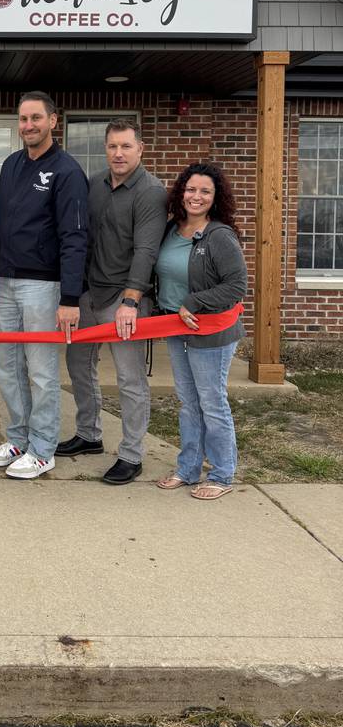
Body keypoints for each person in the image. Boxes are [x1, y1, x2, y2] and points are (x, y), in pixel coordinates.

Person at [0, 91, 89, 479]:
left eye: (36, 118)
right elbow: (1, 224)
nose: (28, 125)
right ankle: (19, 437)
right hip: (7, 283)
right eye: (23, 119)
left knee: (41, 371)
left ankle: (43, 448)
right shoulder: (11, 165)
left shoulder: (67, 171)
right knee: (7, 365)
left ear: (53, 121)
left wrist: (70, 297)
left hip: (44, 287)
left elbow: (75, 237)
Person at [58, 118, 167, 484]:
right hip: (89, 294)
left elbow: (147, 250)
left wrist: (131, 301)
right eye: (112, 147)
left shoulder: (151, 191)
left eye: (125, 146)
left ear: (140, 148)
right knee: (78, 366)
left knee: (129, 379)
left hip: (124, 298)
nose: (118, 153)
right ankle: (89, 434)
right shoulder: (95, 186)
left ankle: (132, 455)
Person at [155, 163, 247, 500]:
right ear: (181, 192)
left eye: (205, 191)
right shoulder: (171, 229)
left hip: (211, 331)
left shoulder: (219, 236)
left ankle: (222, 474)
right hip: (174, 328)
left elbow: (237, 285)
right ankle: (188, 468)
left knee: (211, 402)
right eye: (191, 189)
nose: (196, 196)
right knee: (188, 402)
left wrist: (195, 300)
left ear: (215, 197)